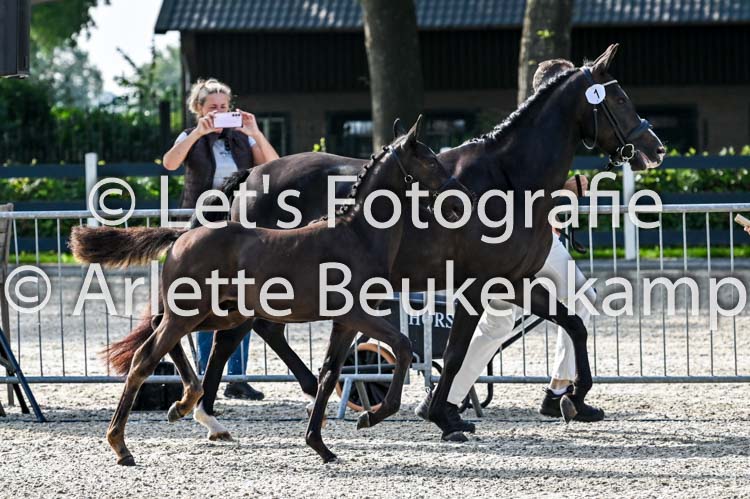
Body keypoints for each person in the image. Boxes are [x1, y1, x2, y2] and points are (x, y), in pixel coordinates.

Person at [417, 59, 605, 429]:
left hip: (517, 242)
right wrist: (567, 188)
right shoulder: (535, 134)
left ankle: (444, 399)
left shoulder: (531, 130)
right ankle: (558, 393)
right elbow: (526, 189)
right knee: (580, 300)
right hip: (526, 243)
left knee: (497, 325)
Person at [162, 78, 279, 400]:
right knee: (203, 300)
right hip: (202, 225)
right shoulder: (190, 136)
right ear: (198, 109)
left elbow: (273, 166)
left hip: (239, 225)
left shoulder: (241, 138)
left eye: (224, 107)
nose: (219, 112)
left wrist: (255, 132)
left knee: (244, 299)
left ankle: (237, 377)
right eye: (212, 107)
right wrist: (198, 133)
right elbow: (170, 163)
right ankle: (205, 375)